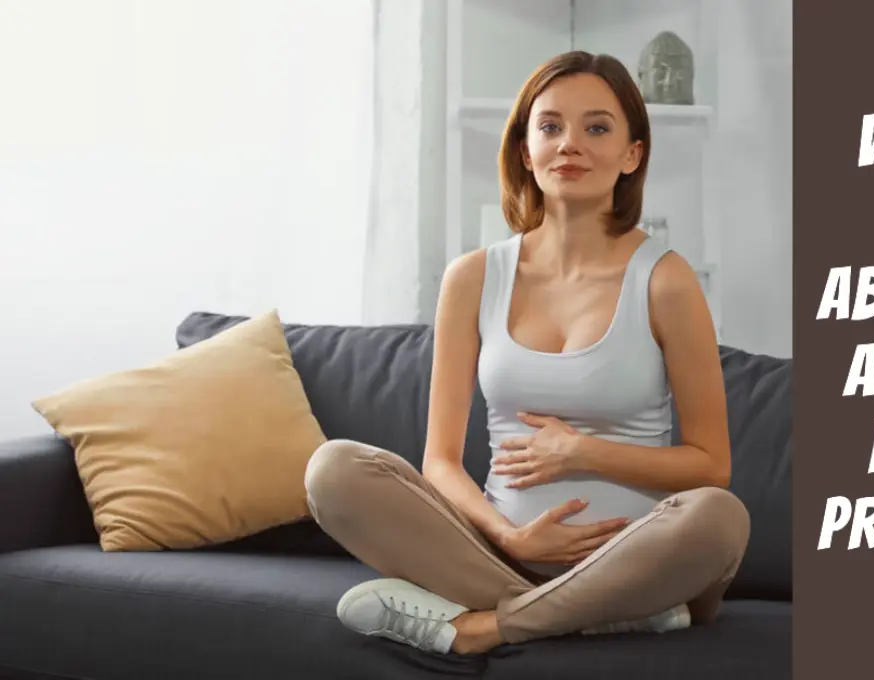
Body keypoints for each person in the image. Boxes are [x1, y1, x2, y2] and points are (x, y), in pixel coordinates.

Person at [303, 50, 750, 658]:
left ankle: (487, 625)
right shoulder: (472, 278)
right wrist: (510, 537)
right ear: (525, 150)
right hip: (496, 553)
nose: (570, 144)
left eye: (597, 128)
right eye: (550, 127)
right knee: (333, 471)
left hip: (638, 562)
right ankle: (592, 617)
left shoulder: (666, 281)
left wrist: (582, 451)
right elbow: (440, 462)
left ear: (632, 154)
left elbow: (710, 465)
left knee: (719, 518)